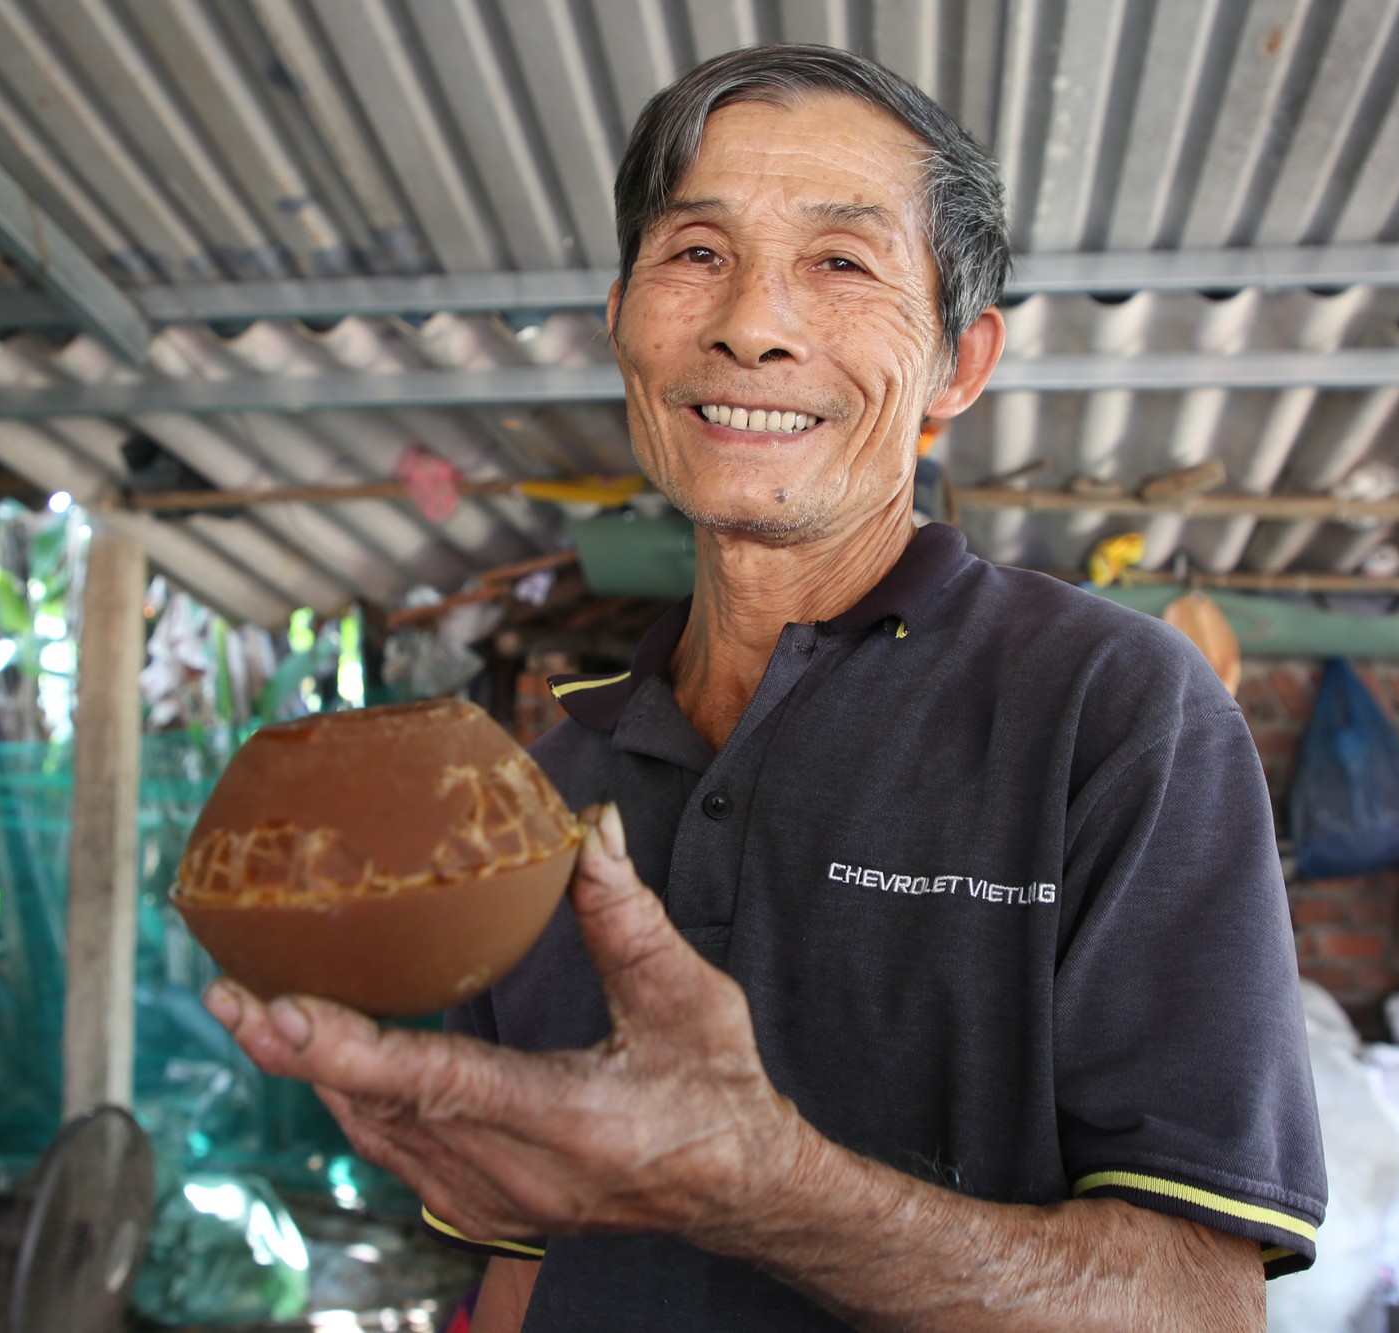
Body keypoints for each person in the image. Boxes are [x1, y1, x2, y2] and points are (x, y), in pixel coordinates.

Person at [208, 43, 1324, 1331]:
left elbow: (1199, 1311)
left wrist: (760, 1187)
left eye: (842, 263)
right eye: (695, 254)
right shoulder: (540, 789)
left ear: (961, 365)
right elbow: (522, 1266)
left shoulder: (1116, 711)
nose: (751, 321)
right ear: (620, 319)